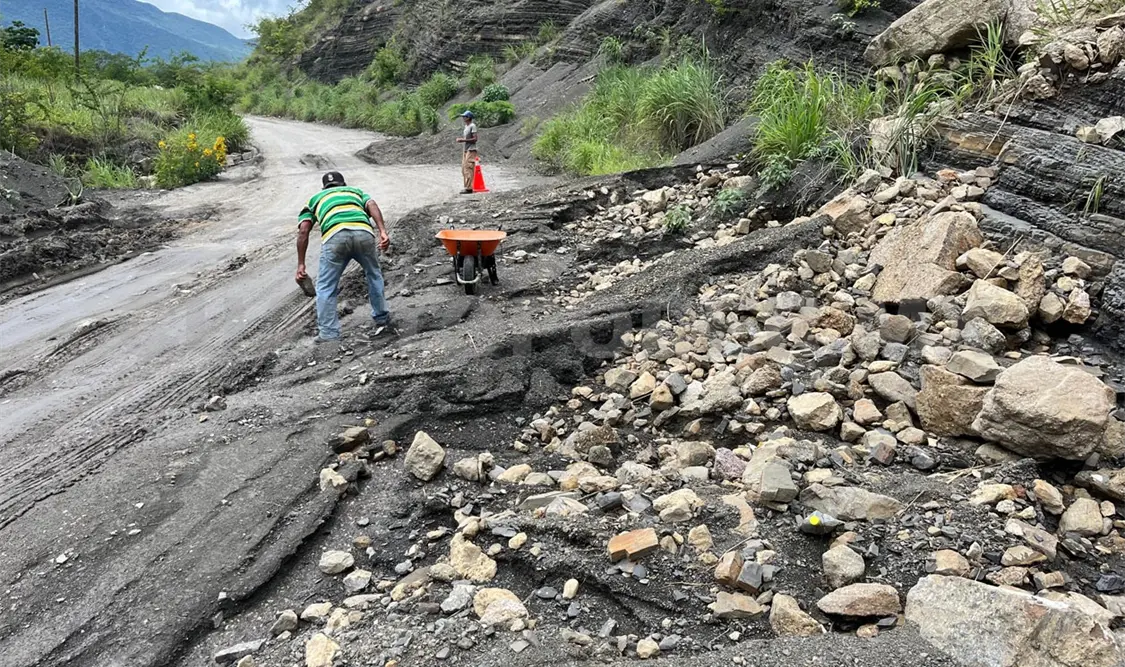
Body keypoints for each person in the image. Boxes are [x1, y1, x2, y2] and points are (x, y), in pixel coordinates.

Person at [295, 171, 392, 342]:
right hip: (363, 233)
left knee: (325, 287)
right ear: (344, 184)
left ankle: (328, 334)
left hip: (335, 237)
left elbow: (304, 230)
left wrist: (301, 264)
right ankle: (382, 317)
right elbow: (372, 204)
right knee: (374, 274)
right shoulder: (355, 192)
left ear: (324, 188)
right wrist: (383, 232)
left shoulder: (315, 198)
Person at [456, 110, 479, 194]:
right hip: (466, 149)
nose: (463, 118)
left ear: (468, 117)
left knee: (468, 168)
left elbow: (475, 139)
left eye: (464, 116)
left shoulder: (472, 126)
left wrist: (463, 140)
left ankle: (469, 188)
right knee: (464, 169)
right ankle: (467, 186)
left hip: (471, 149)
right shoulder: (466, 127)